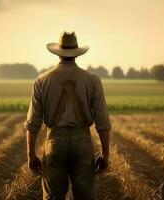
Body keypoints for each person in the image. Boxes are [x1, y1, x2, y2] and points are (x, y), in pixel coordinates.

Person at [24, 31, 111, 200]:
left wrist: (31, 154)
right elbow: (103, 121)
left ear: (59, 53)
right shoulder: (92, 80)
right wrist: (105, 154)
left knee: (53, 197)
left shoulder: (42, 80)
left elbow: (33, 122)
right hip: (82, 143)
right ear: (76, 53)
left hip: (54, 143)